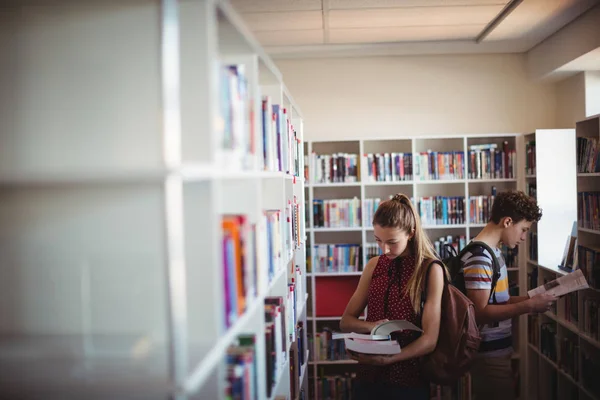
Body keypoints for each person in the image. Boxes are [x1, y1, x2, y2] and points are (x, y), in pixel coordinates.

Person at [339, 193, 445, 400]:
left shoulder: (430, 270)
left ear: (411, 233)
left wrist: (390, 359)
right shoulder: (374, 265)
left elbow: (430, 340)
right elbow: (346, 322)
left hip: (408, 381)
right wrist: (373, 327)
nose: (384, 249)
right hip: (367, 377)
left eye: (392, 242)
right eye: (378, 240)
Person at [462, 190, 557, 400]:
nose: (524, 237)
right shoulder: (481, 256)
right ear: (507, 222)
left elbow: (499, 300)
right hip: (487, 355)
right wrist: (530, 307)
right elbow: (480, 312)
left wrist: (534, 297)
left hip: (496, 351)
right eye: (523, 229)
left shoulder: (493, 252)